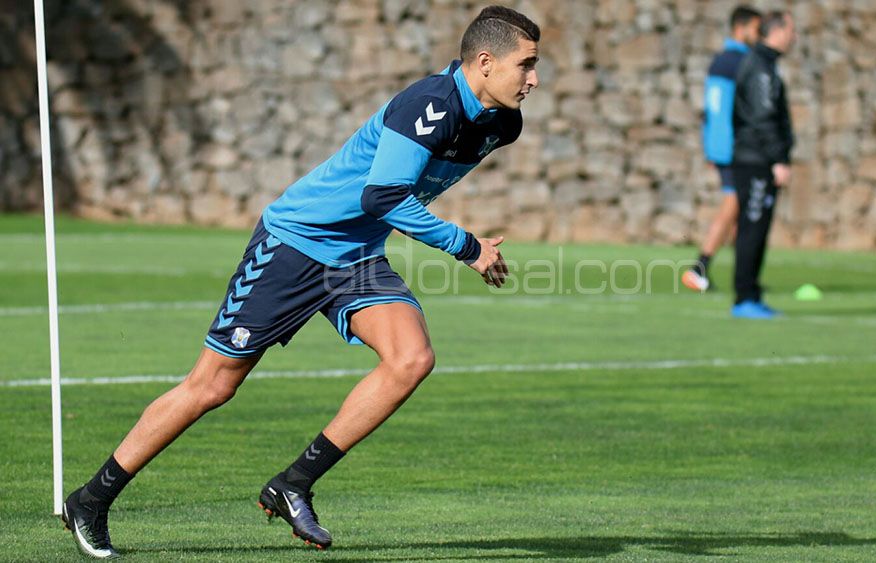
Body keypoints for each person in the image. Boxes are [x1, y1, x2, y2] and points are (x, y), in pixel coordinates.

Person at [61, 6, 540, 558]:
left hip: (356, 255)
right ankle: (91, 501)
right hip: (294, 244)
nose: (533, 79)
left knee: (411, 358)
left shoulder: (502, 124)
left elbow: (389, 201)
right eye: (525, 64)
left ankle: (292, 484)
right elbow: (381, 196)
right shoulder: (427, 105)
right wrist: (465, 245)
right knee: (212, 387)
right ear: (485, 62)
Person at [682, 5, 761, 293]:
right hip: (734, 147)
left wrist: (711, 145)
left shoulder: (721, 61)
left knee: (741, 210)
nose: (759, 35)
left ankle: (745, 274)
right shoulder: (741, 62)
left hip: (720, 143)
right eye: (756, 28)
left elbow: (712, 110)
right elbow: (735, 111)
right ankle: (699, 267)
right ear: (741, 28)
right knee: (734, 204)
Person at [729, 10, 796, 318]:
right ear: (777, 32)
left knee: (756, 227)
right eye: (790, 30)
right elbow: (762, 118)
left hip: (757, 158)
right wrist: (778, 159)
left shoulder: (765, 65)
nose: (793, 37)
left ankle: (751, 293)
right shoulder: (761, 69)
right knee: (752, 227)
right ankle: (744, 297)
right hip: (756, 161)